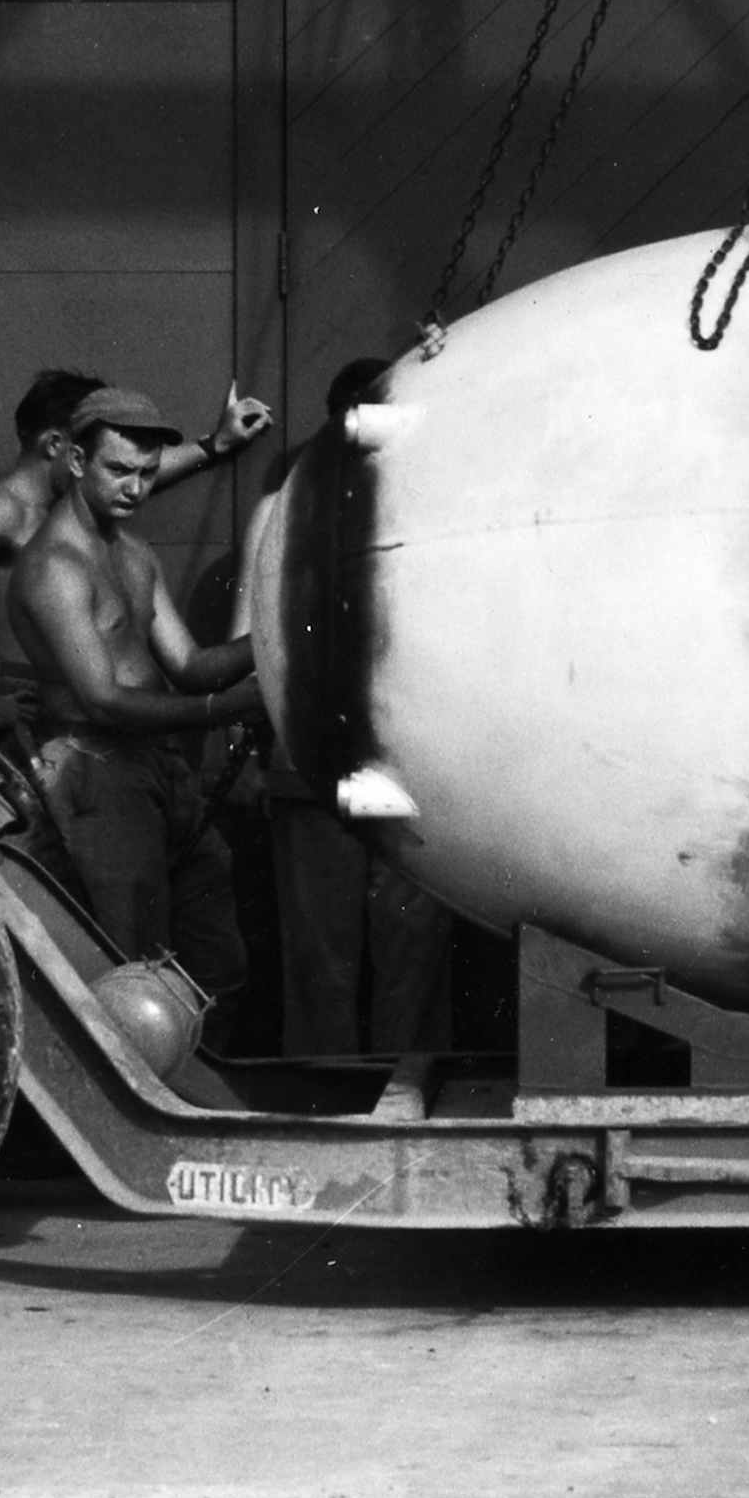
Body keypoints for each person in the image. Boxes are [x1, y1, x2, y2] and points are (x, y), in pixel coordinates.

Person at [9, 387, 262, 1016]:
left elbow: (192, 667)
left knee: (217, 961)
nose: (136, 488)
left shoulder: (135, 554)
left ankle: (198, 1076)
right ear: (74, 461)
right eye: (119, 470)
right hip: (97, 773)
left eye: (148, 473)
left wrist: (277, 636)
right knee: (135, 970)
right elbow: (101, 700)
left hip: (161, 771)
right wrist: (223, 711)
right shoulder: (53, 565)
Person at [0, 369, 273, 743]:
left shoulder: (73, 502)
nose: (135, 487)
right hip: (21, 708)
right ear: (60, 447)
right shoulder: (3, 508)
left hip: (80, 707)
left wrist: (215, 444)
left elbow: (134, 470)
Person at [264, 358, 458, 1053]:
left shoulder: (431, 510)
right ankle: (333, 1088)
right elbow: (255, 640)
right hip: (321, 768)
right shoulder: (289, 511)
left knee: (407, 954)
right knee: (331, 956)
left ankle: (396, 1082)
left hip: (396, 766)